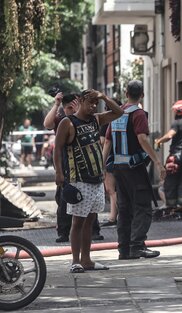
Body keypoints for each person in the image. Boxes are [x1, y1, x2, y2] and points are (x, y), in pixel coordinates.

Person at [54, 89, 123, 273]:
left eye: (95, 104)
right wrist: (59, 174)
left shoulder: (96, 119)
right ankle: (75, 261)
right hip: (79, 180)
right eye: (90, 103)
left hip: (97, 180)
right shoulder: (67, 123)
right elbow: (57, 149)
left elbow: (119, 112)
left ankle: (87, 260)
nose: (93, 107)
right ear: (80, 101)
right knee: (77, 222)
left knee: (90, 221)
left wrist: (104, 97)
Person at [103, 80, 165, 260]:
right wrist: (158, 162)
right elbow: (143, 139)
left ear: (125, 92)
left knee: (125, 208)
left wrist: (102, 167)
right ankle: (137, 246)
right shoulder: (138, 114)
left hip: (118, 169)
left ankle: (124, 249)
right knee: (143, 207)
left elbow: (107, 142)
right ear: (142, 95)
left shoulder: (116, 114)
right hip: (135, 168)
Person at [44, 93, 104, 243]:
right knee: (65, 199)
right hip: (66, 164)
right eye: (69, 107)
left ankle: (93, 231)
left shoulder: (86, 119)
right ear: (64, 108)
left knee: (89, 203)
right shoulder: (63, 121)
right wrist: (57, 104)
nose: (72, 110)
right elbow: (48, 124)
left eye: (75, 106)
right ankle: (64, 231)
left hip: (86, 168)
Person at [154, 100, 182, 209]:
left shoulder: (177, 123)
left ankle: (171, 206)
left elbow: (170, 136)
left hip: (175, 157)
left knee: (171, 180)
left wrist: (159, 141)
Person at [100, 98, 122, 227]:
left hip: (109, 158)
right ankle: (114, 217)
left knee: (111, 189)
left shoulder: (107, 122)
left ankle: (114, 217)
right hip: (122, 158)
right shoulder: (123, 119)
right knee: (117, 190)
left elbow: (104, 142)